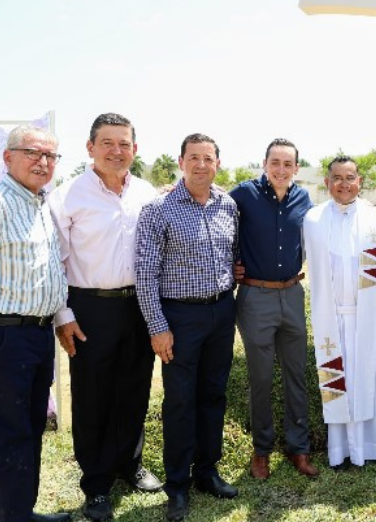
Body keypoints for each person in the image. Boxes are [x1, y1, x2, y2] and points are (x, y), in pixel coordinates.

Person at [47, 114, 161, 522]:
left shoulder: (146, 193)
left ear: (135, 148)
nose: (117, 151)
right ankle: (95, 482)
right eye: (107, 142)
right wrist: (64, 314)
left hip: (139, 307)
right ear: (90, 147)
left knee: (134, 388)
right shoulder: (67, 196)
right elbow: (54, 261)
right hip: (90, 307)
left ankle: (129, 464)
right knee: (93, 395)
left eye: (125, 143)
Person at [0, 125, 71, 522]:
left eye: (51, 156)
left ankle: (22, 511)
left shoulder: (38, 203)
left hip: (38, 336)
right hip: (4, 338)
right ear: (8, 158)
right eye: (32, 153)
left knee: (29, 428)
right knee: (8, 435)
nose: (43, 162)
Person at [135, 133, 239, 522]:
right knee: (180, 401)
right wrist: (157, 326)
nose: (201, 165)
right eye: (193, 157)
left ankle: (207, 472)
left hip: (220, 312)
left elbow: (234, 256)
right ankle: (177, 485)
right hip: (179, 317)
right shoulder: (158, 209)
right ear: (181, 162)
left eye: (208, 158)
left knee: (213, 394)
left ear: (217, 163)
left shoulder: (227, 205)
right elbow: (145, 274)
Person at [302, 157, 376, 467]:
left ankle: (373, 446)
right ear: (326, 182)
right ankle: (340, 450)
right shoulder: (312, 219)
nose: (343, 183)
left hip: (366, 317)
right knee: (337, 381)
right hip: (330, 317)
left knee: (369, 378)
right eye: (337, 177)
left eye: (350, 177)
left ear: (361, 181)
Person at [229, 138, 318, 480]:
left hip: (293, 294)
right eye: (275, 163)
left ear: (296, 168)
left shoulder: (303, 198)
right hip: (256, 297)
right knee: (261, 377)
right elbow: (213, 215)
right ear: (264, 164)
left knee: (296, 375)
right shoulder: (243, 195)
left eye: (288, 164)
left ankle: (299, 448)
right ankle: (261, 451)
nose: (281, 170)